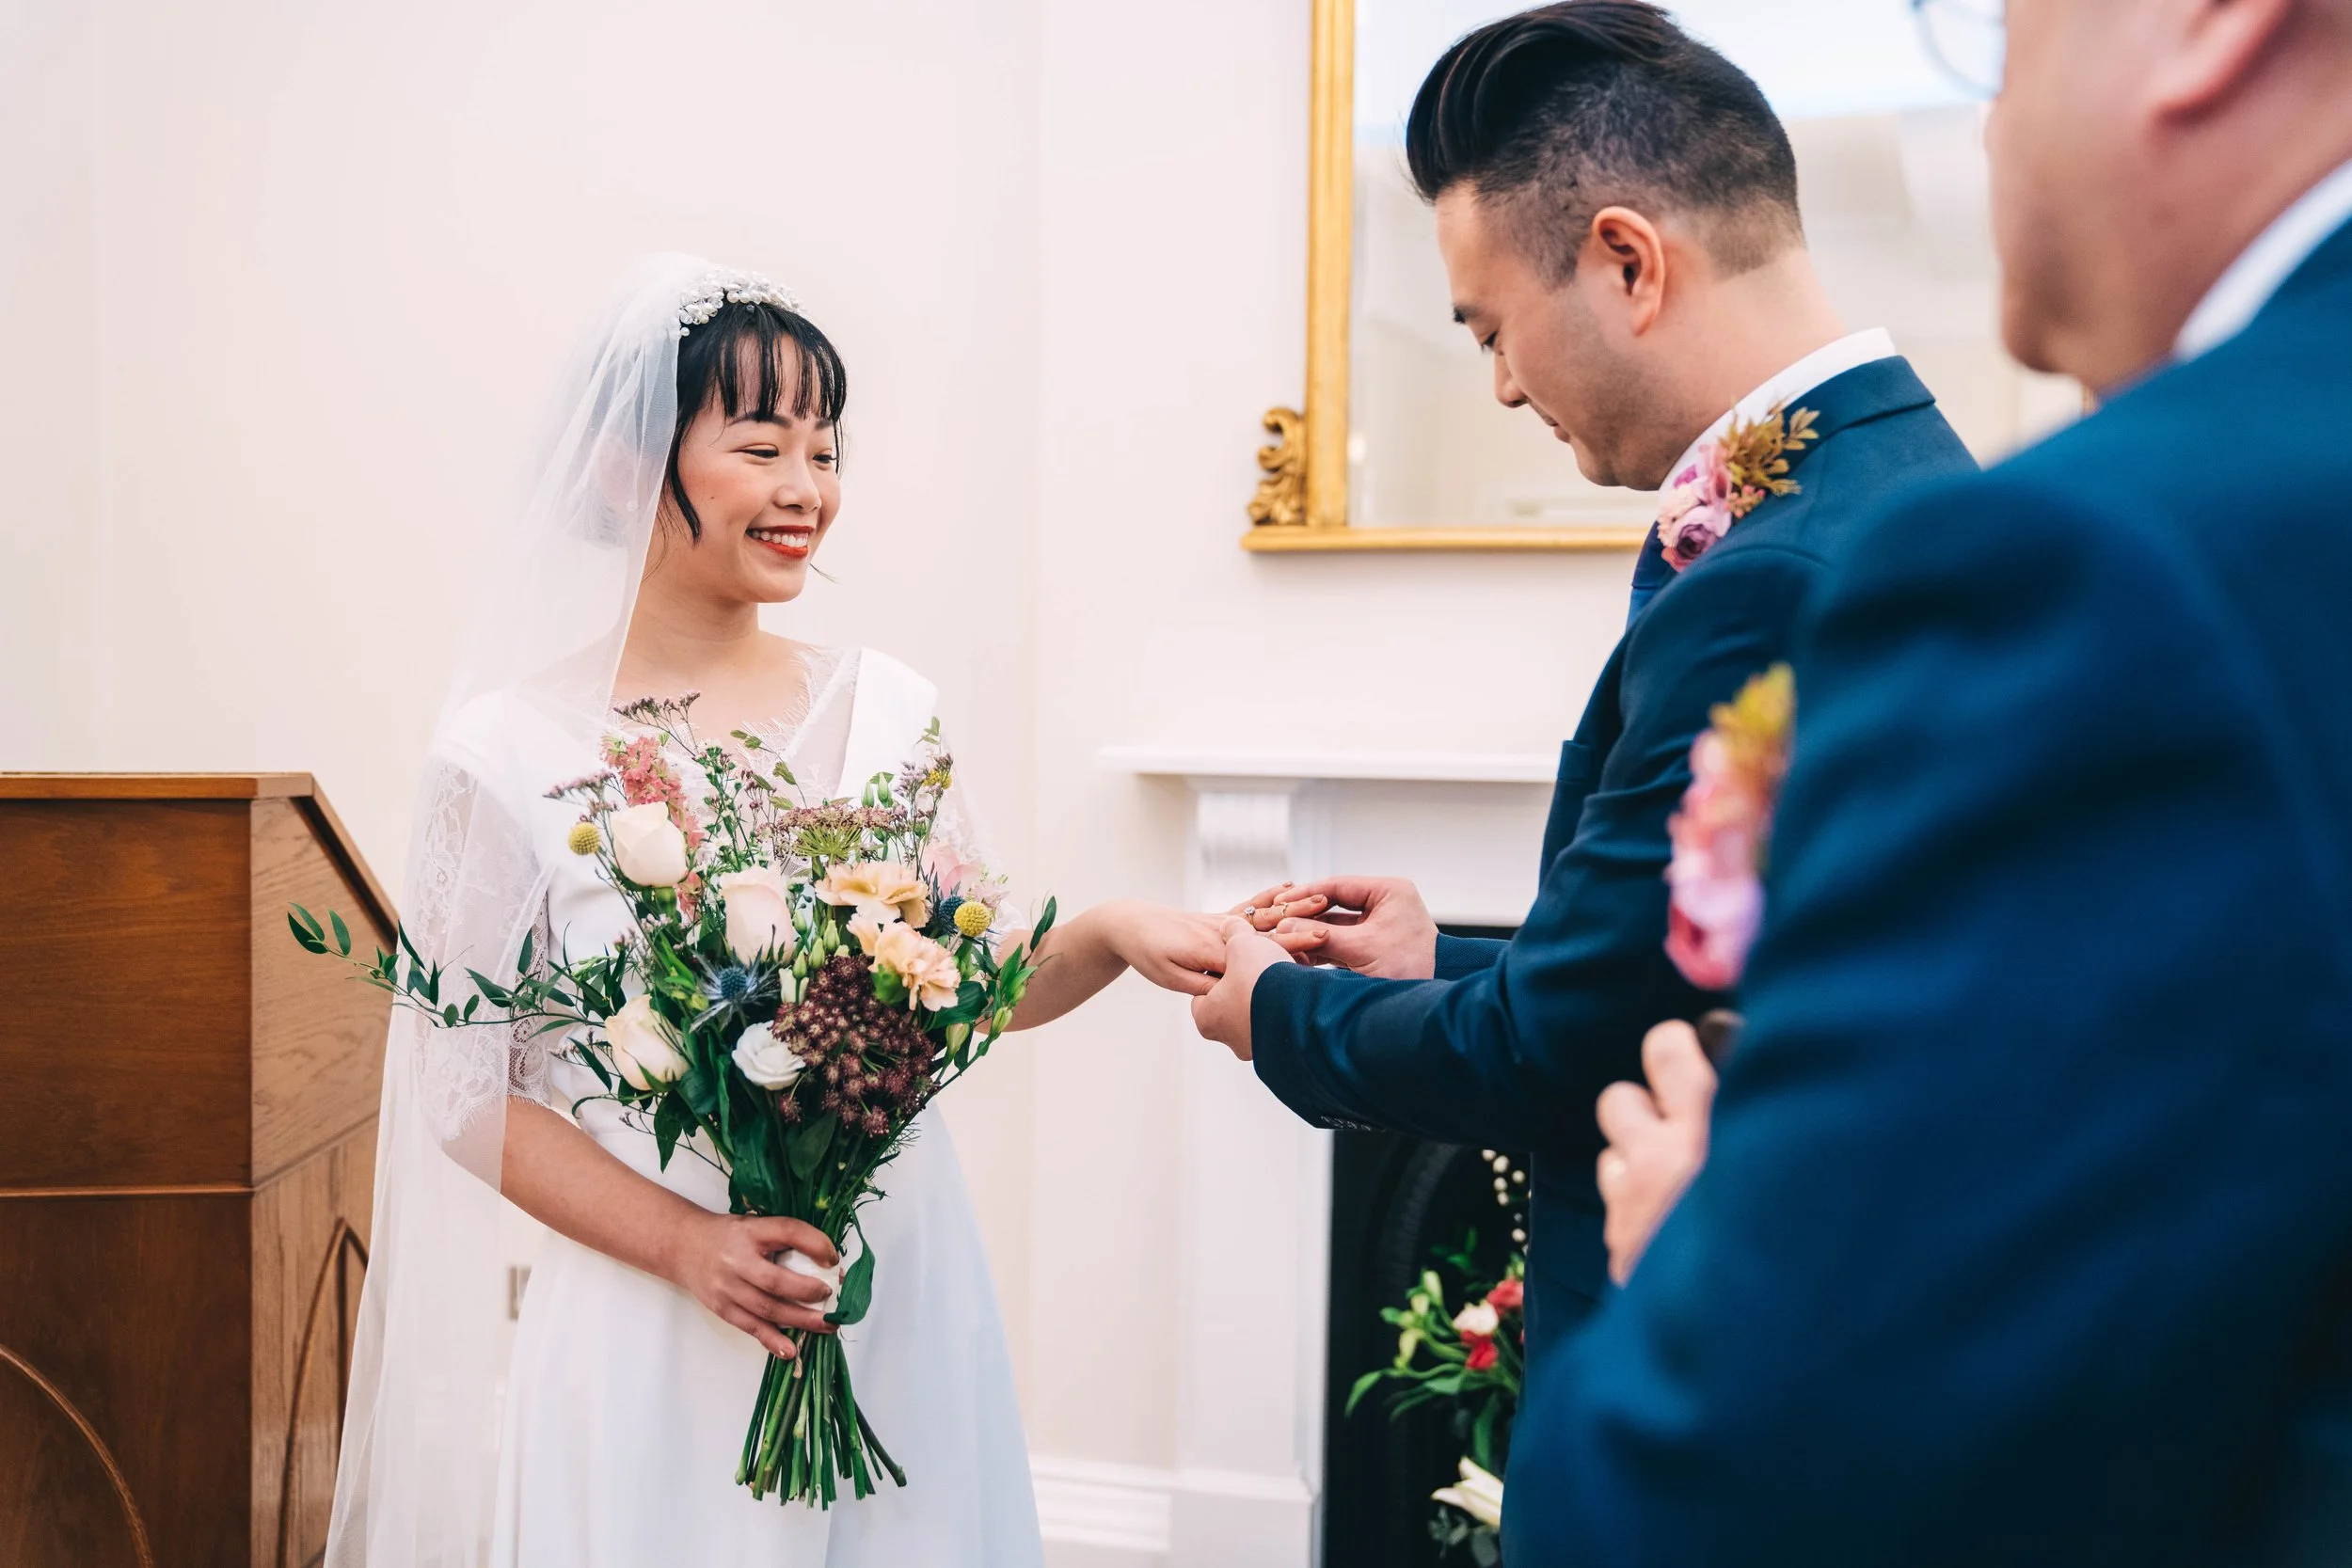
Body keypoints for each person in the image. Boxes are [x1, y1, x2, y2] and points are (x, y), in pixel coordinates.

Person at [1470, 0, 2352, 1560]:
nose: (1991, 123)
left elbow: (1754, 1468)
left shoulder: (2099, 558)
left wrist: (1711, 1251)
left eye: (2005, 44)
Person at [328, 256, 1224, 1568]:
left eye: (825, 447)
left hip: (888, 1285)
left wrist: (1107, 937)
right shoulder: (505, 751)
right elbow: (463, 1089)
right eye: (762, 445)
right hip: (659, 1318)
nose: (808, 487)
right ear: (630, 468)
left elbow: (963, 986)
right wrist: (692, 1244)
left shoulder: (890, 710)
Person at [1188, 0, 1975, 1368]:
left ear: (1626, 262)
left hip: (1715, 1353)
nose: (1495, 386)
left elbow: (1556, 1053)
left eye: (1492, 330)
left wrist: (1278, 1012)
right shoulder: (1888, 481)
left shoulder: (1773, 572)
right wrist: (1443, 961)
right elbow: (1687, 976)